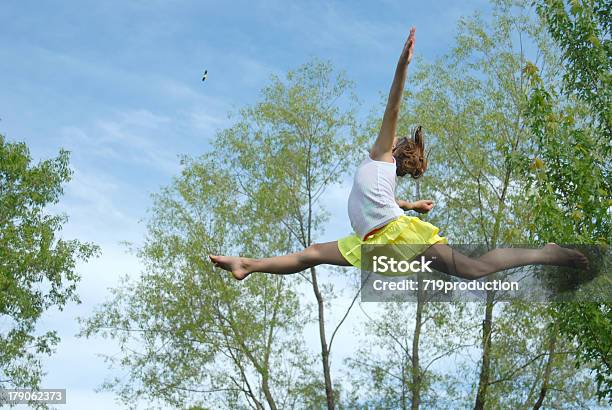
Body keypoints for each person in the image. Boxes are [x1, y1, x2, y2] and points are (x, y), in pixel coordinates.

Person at [209, 27, 588, 281]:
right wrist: (411, 205)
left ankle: (547, 253)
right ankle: (248, 265)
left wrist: (401, 67)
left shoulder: (381, 156)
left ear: (393, 147)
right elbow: (382, 200)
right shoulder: (382, 175)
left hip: (391, 234)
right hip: (371, 238)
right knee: (310, 253)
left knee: (472, 269)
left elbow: (392, 108)